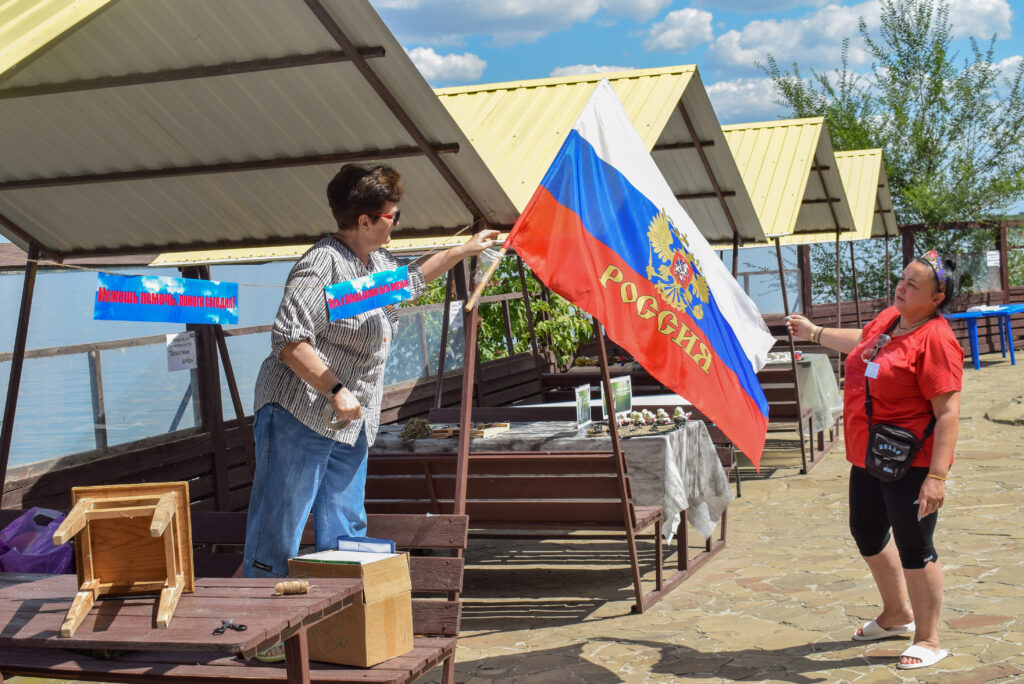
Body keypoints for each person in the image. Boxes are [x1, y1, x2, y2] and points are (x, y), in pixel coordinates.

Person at [243, 163, 498, 579]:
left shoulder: (375, 263)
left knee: (345, 528)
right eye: (391, 216)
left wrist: (464, 250)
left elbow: (413, 280)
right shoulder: (321, 263)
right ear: (364, 220)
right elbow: (290, 338)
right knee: (279, 526)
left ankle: (342, 623)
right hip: (300, 412)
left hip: (352, 422)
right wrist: (335, 389)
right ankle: (263, 630)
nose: (396, 223)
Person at [785, 250, 962, 670]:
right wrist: (814, 332)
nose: (901, 288)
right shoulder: (890, 318)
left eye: (912, 285)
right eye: (902, 280)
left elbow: (948, 413)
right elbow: (863, 339)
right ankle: (897, 613)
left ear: (936, 298)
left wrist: (936, 477)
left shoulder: (936, 340)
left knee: (915, 547)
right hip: (870, 453)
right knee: (866, 530)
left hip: (912, 460)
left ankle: (929, 639)